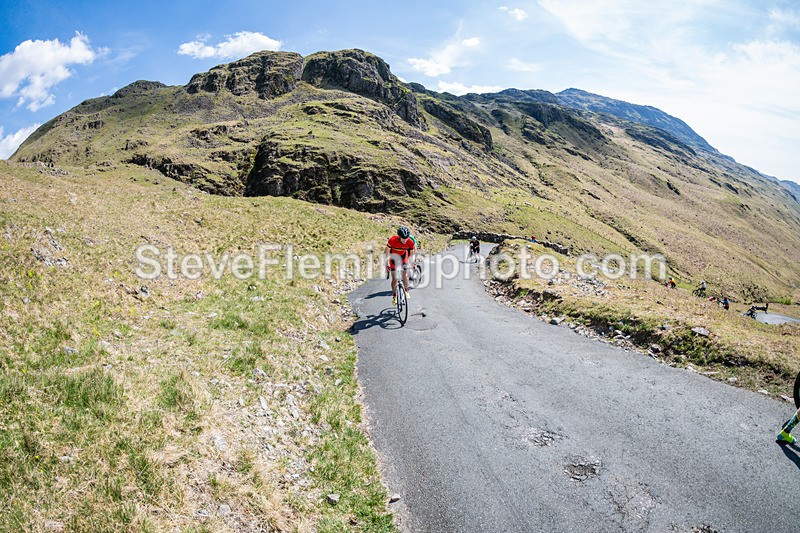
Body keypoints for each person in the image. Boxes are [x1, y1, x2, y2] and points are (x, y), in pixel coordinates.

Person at [385, 226, 416, 304]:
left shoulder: (410, 242)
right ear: (399, 237)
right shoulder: (393, 240)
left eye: (406, 238)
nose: (405, 240)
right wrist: (386, 264)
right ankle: (394, 295)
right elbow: (386, 253)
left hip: (403, 257)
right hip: (393, 258)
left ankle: (406, 290)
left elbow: (412, 255)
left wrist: (411, 263)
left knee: (404, 275)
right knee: (395, 279)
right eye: (403, 238)